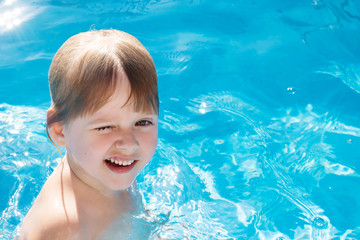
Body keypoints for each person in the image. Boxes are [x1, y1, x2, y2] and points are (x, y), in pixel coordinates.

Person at [20, 29, 159, 239]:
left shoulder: (111, 166)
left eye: (142, 122)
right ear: (60, 130)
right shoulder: (62, 227)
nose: (129, 143)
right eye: (105, 127)